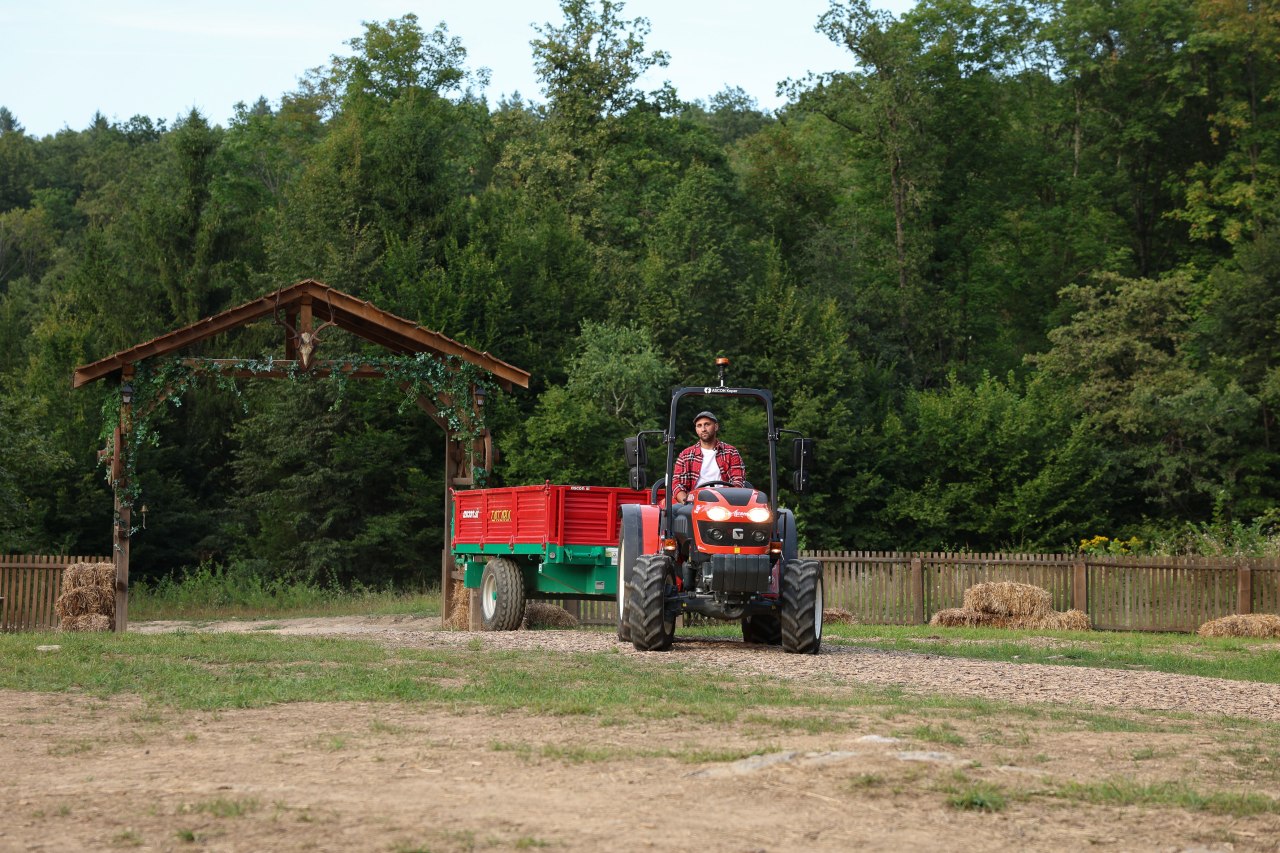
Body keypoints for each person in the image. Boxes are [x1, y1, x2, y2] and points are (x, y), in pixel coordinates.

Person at [673, 411, 745, 503]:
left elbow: (738, 481)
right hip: (694, 503)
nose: (703, 429)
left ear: (716, 427)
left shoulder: (730, 452)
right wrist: (686, 502)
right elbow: (677, 484)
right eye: (699, 426)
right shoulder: (686, 455)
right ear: (696, 429)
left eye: (707, 424)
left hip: (725, 502)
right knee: (673, 512)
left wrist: (728, 501)